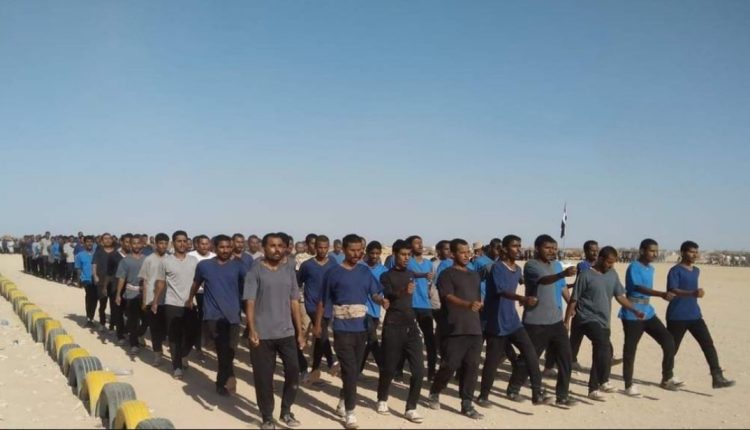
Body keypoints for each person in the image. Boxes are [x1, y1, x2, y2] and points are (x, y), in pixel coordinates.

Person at [478, 235, 566, 408]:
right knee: (492, 361)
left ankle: (537, 394)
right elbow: (501, 291)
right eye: (514, 246)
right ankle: (483, 396)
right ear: (504, 249)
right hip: (496, 321)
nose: (519, 249)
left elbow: (527, 281)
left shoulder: (518, 269)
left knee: (531, 354)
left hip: (513, 320)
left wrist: (534, 288)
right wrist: (522, 298)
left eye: (520, 245)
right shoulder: (497, 267)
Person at [314, 233, 387, 429]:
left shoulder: (364, 272)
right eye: (353, 250)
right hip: (341, 329)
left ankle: (342, 400)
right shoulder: (332, 273)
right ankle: (350, 412)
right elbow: (323, 301)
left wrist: (382, 300)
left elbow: (374, 293)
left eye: (359, 250)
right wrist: (318, 325)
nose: (357, 254)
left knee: (352, 372)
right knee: (351, 369)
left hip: (361, 328)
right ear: (345, 250)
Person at [565, 246, 644, 401]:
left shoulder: (612, 274)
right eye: (609, 262)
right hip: (585, 318)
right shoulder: (586, 275)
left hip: (604, 320)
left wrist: (634, 310)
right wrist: (566, 320)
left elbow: (620, 296)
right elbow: (574, 299)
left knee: (605, 350)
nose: (611, 265)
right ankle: (593, 388)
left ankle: (603, 381)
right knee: (601, 345)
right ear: (600, 259)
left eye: (613, 262)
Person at [245, 233, 305, 429]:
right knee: (264, 378)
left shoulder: (289, 271)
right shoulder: (255, 271)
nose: (277, 249)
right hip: (262, 334)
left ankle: (286, 411)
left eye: (280, 245)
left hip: (286, 332)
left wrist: (300, 332)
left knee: (293, 372)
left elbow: (294, 301)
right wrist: (252, 329)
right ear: (264, 248)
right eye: (272, 245)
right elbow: (250, 302)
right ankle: (267, 416)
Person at [506, 235, 571, 405]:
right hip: (536, 322)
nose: (552, 251)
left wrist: (571, 305)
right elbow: (543, 280)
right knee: (529, 358)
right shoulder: (531, 265)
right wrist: (563, 273)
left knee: (566, 357)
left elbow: (562, 286)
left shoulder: (556, 265)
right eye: (547, 248)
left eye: (554, 248)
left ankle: (562, 395)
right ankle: (513, 389)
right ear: (537, 249)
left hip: (556, 320)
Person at [427, 239, 484, 420]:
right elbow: (447, 296)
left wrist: (477, 307)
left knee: (472, 367)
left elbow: (477, 298)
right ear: (453, 254)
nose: (467, 255)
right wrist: (467, 304)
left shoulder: (474, 275)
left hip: (474, 327)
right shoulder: (447, 274)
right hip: (454, 327)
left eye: (468, 252)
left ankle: (467, 404)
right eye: (462, 252)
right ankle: (435, 391)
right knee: (450, 365)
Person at [666, 241, 734, 389]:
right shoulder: (675, 270)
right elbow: (672, 290)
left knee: (708, 344)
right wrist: (692, 293)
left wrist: (694, 294)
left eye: (696, 252)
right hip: (677, 316)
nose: (694, 255)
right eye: (691, 252)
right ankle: (667, 378)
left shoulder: (696, 270)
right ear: (682, 253)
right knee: (672, 348)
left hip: (695, 315)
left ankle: (717, 376)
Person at [619, 238, 680, 397]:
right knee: (630, 349)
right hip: (633, 312)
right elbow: (638, 287)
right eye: (652, 250)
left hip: (648, 312)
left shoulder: (651, 269)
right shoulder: (634, 267)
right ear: (642, 251)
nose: (655, 254)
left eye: (656, 251)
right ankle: (628, 385)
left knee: (668, 340)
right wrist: (661, 294)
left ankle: (667, 378)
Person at [187, 235, 246, 396]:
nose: (225, 250)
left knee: (230, 349)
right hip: (213, 314)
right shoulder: (204, 266)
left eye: (228, 247)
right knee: (222, 348)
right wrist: (190, 298)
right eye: (222, 247)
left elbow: (246, 287)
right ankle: (224, 381)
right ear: (215, 247)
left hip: (233, 314)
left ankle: (227, 376)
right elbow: (196, 283)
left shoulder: (238, 266)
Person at [376, 239, 425, 423]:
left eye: (408, 255)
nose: (406, 258)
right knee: (389, 368)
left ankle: (411, 408)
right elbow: (389, 295)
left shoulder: (410, 274)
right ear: (395, 255)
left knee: (419, 371)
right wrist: (404, 290)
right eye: (403, 254)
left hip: (411, 326)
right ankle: (382, 399)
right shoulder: (386, 276)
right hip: (393, 325)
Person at [153, 230, 199, 379]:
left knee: (192, 334)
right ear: (173, 243)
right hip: (172, 303)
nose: (182, 244)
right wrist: (155, 301)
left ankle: (183, 354)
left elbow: (199, 281)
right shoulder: (166, 262)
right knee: (174, 336)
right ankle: (177, 366)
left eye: (185, 241)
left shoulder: (194, 261)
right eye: (179, 241)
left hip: (190, 303)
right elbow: (161, 283)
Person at [298, 235, 339, 385]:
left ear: (329, 248)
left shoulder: (333, 263)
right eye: (320, 247)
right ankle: (331, 361)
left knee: (319, 335)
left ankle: (314, 370)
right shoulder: (307, 265)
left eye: (325, 247)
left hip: (328, 305)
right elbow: (298, 282)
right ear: (315, 248)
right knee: (321, 331)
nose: (322, 250)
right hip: (312, 305)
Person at [405, 235, 438, 381]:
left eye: (421, 243)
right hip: (410, 305)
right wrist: (422, 275)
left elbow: (431, 283)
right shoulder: (407, 262)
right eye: (416, 243)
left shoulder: (429, 264)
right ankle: (399, 370)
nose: (420, 245)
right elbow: (409, 274)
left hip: (425, 306)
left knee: (430, 339)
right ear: (410, 246)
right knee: (406, 338)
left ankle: (431, 371)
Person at [138, 233, 170, 366]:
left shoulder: (171, 259)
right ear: (156, 244)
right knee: (155, 328)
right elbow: (145, 281)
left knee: (166, 329)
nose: (163, 246)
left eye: (165, 243)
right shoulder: (148, 260)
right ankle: (157, 354)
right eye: (161, 243)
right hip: (152, 300)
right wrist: (144, 300)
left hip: (168, 299)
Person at [115, 235, 147, 355]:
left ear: (142, 244)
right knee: (133, 320)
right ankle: (134, 343)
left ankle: (137, 334)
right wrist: (118, 294)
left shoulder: (147, 259)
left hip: (145, 294)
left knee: (147, 320)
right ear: (130, 245)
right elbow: (121, 278)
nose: (136, 246)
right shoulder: (125, 261)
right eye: (134, 243)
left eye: (139, 243)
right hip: (131, 294)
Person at [188, 235, 216, 360]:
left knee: (209, 320)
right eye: (202, 244)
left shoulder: (214, 257)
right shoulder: (190, 256)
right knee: (196, 321)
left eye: (206, 244)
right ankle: (198, 347)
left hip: (210, 294)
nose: (204, 246)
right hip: (195, 293)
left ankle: (210, 343)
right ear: (197, 245)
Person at [360, 240, 386, 372]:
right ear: (367, 253)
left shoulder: (384, 271)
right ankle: (383, 367)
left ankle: (357, 368)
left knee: (368, 341)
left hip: (376, 309)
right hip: (362, 310)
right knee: (372, 339)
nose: (374, 256)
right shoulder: (360, 268)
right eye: (372, 253)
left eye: (377, 253)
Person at [92, 233, 124, 336]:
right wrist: (95, 275)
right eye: (105, 238)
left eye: (109, 238)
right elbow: (94, 264)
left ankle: (112, 326)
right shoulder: (99, 252)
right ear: (102, 241)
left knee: (113, 305)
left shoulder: (117, 252)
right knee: (102, 304)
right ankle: (102, 322)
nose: (108, 240)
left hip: (114, 281)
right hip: (102, 281)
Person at [74, 236, 97, 326]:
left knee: (94, 298)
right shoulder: (79, 255)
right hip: (86, 279)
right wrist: (78, 280)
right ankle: (88, 318)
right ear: (84, 243)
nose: (89, 243)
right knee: (89, 296)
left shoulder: (97, 254)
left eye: (91, 242)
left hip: (96, 279)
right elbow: (78, 269)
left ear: (93, 243)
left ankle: (91, 317)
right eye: (87, 242)